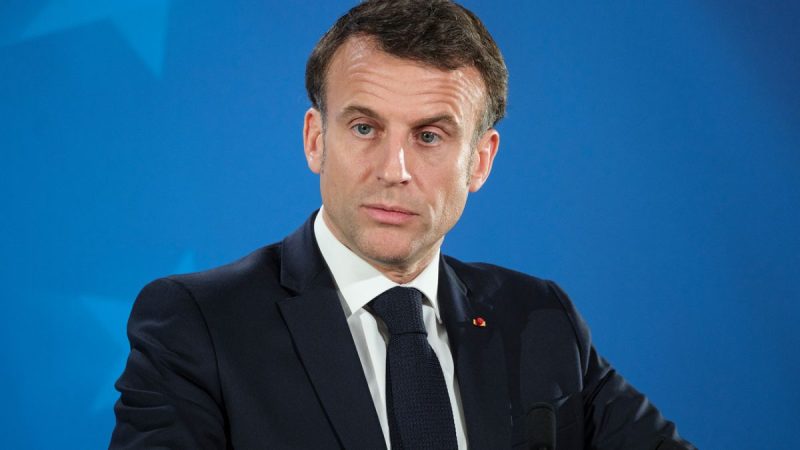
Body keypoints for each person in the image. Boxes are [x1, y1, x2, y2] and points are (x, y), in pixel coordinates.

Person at [110, 1, 695, 448]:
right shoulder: (198, 324)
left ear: (481, 161)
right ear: (315, 139)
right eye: (365, 128)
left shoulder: (540, 318)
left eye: (430, 136)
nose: (394, 170)